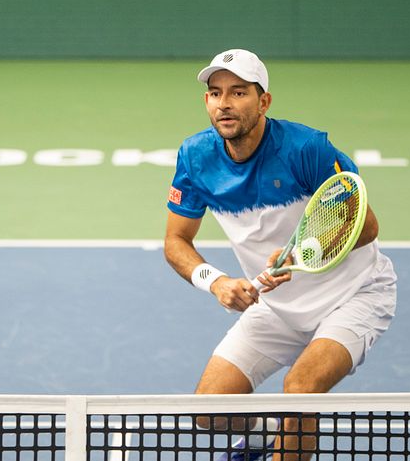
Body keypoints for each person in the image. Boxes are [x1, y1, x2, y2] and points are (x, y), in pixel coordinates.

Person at [164, 49, 396, 461]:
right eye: (215, 94)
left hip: (354, 294)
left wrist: (302, 253)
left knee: (301, 390)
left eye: (238, 92)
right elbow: (176, 242)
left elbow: (367, 225)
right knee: (210, 410)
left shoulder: (308, 149)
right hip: (276, 306)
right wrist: (215, 282)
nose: (225, 103)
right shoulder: (195, 157)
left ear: (264, 101)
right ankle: (264, 435)